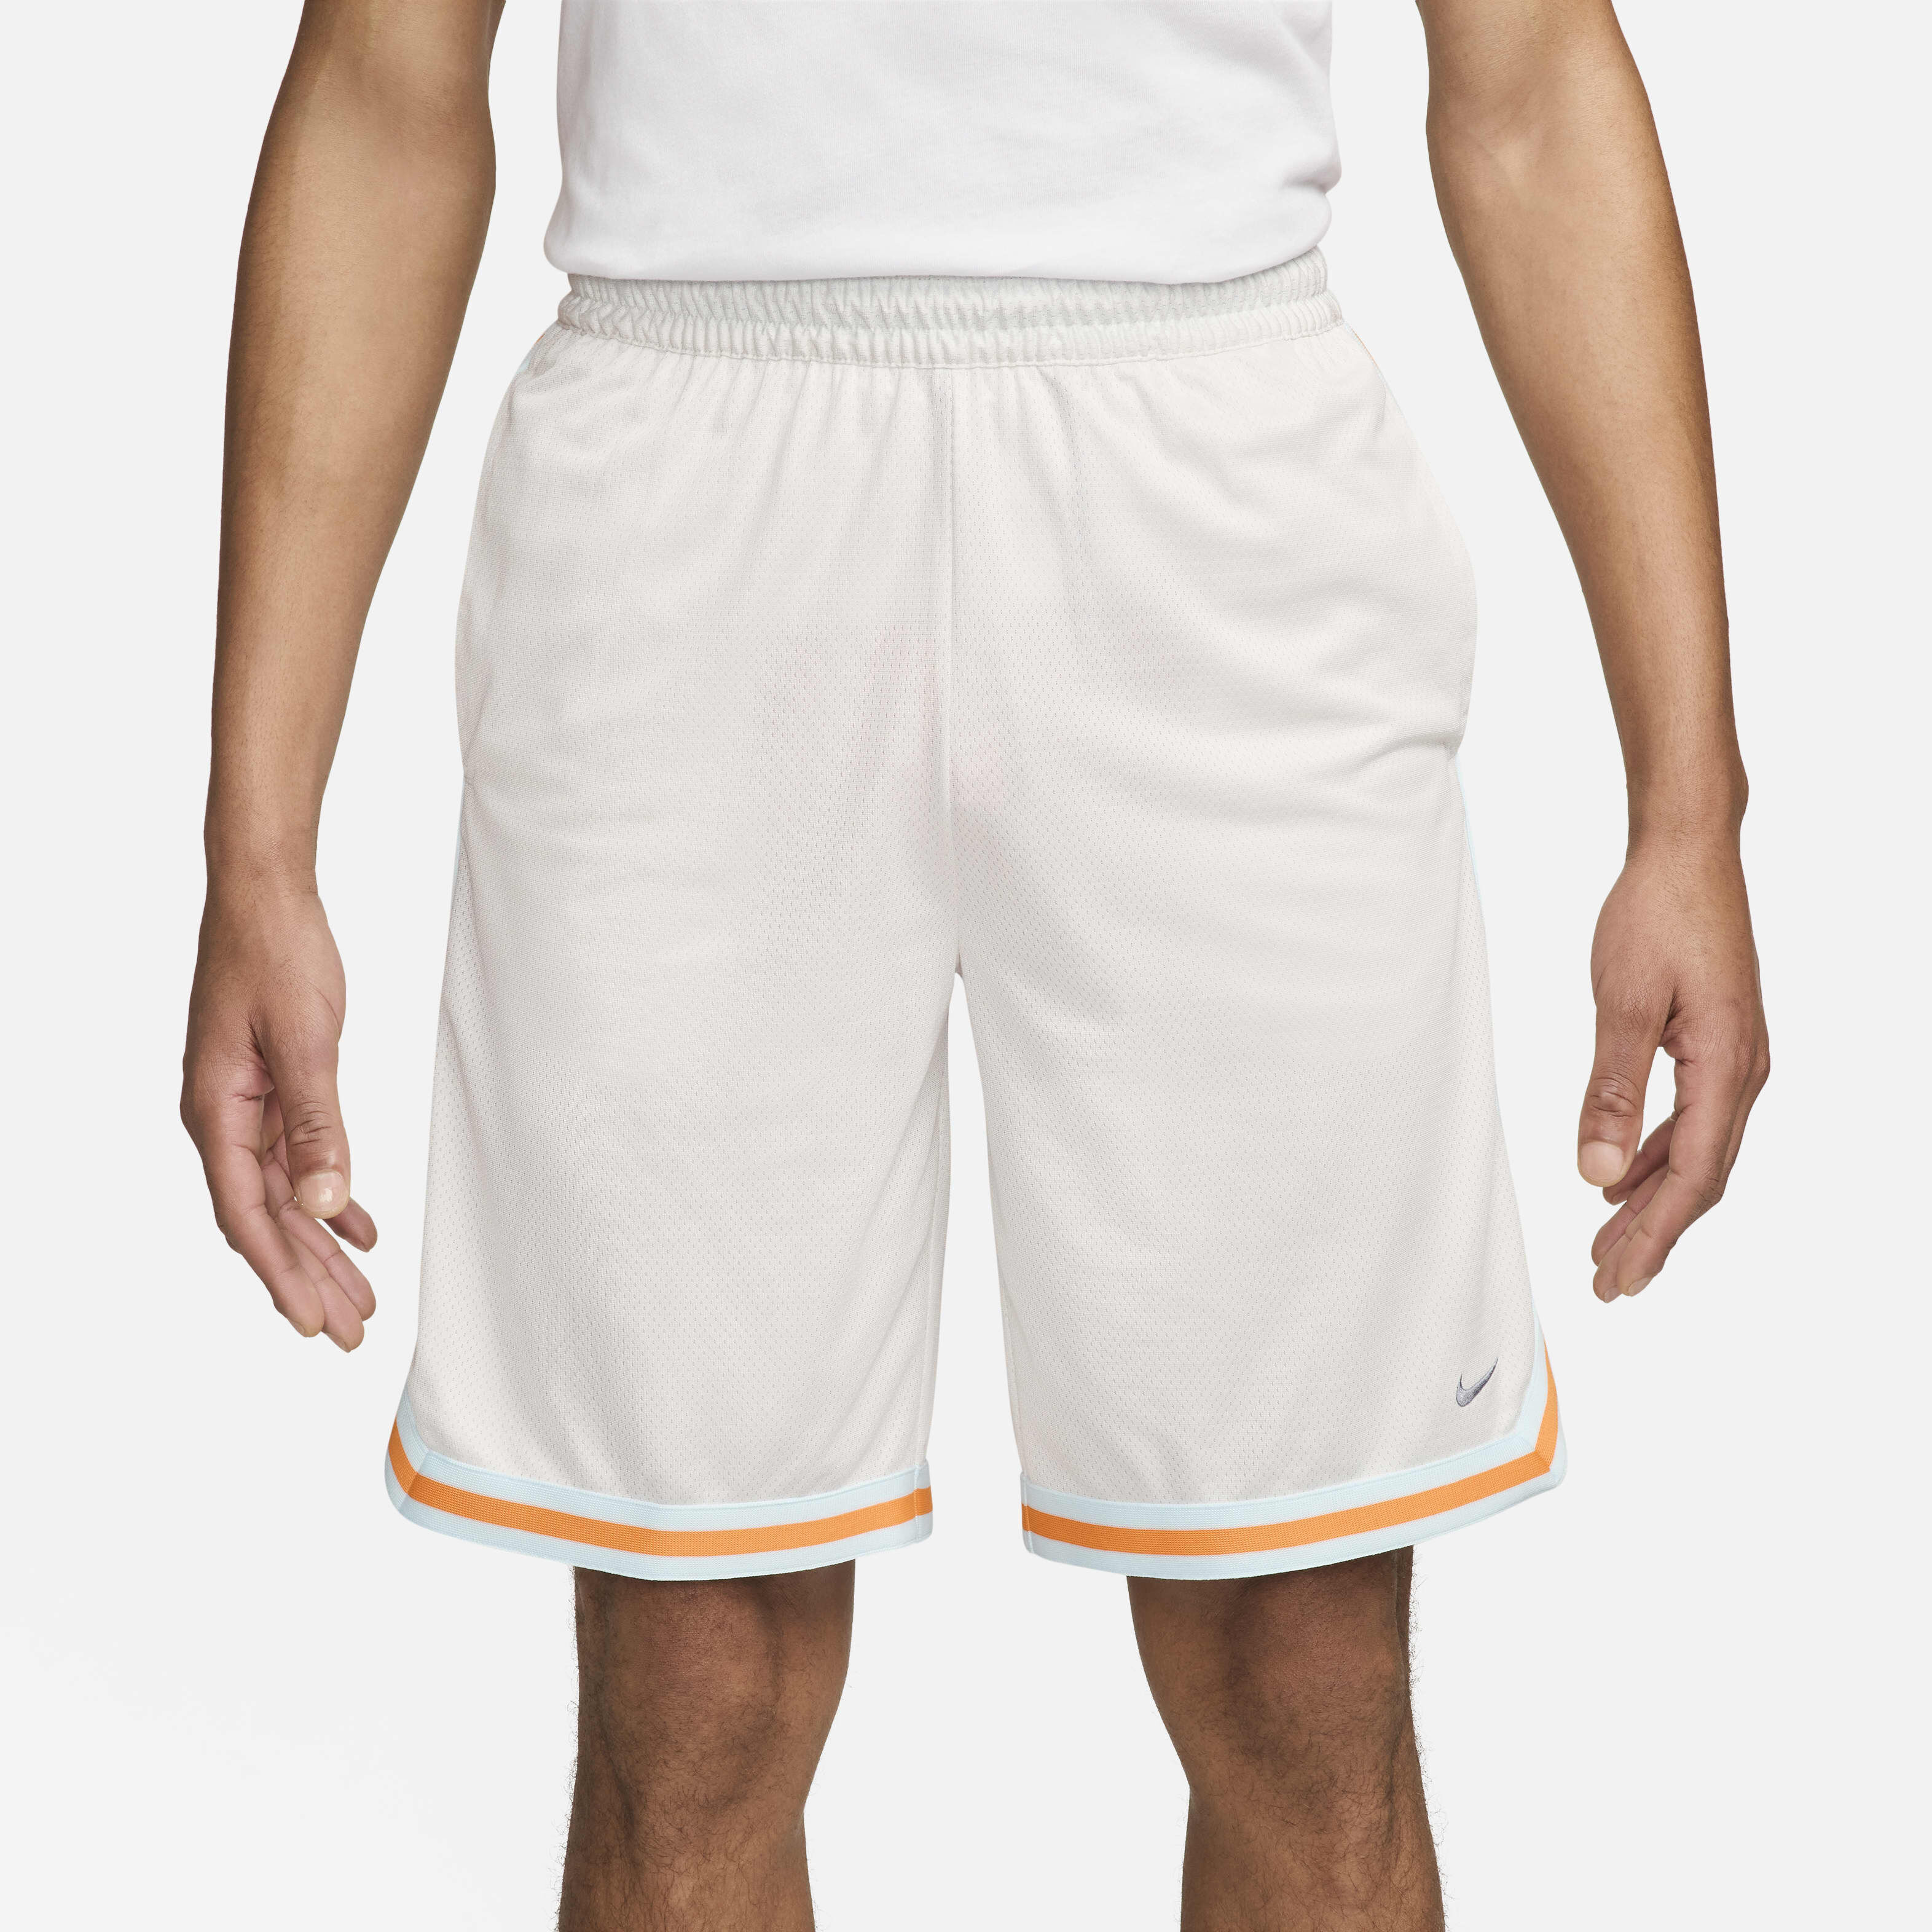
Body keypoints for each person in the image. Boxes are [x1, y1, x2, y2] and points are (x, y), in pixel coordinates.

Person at [181, 3, 1769, 1926]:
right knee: (693, 1690)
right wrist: (256, 841)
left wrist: (1691, 805)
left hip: (1217, 489)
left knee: (1302, 1672)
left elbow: (1532, 84)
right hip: (683, 506)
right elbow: (386, 85)